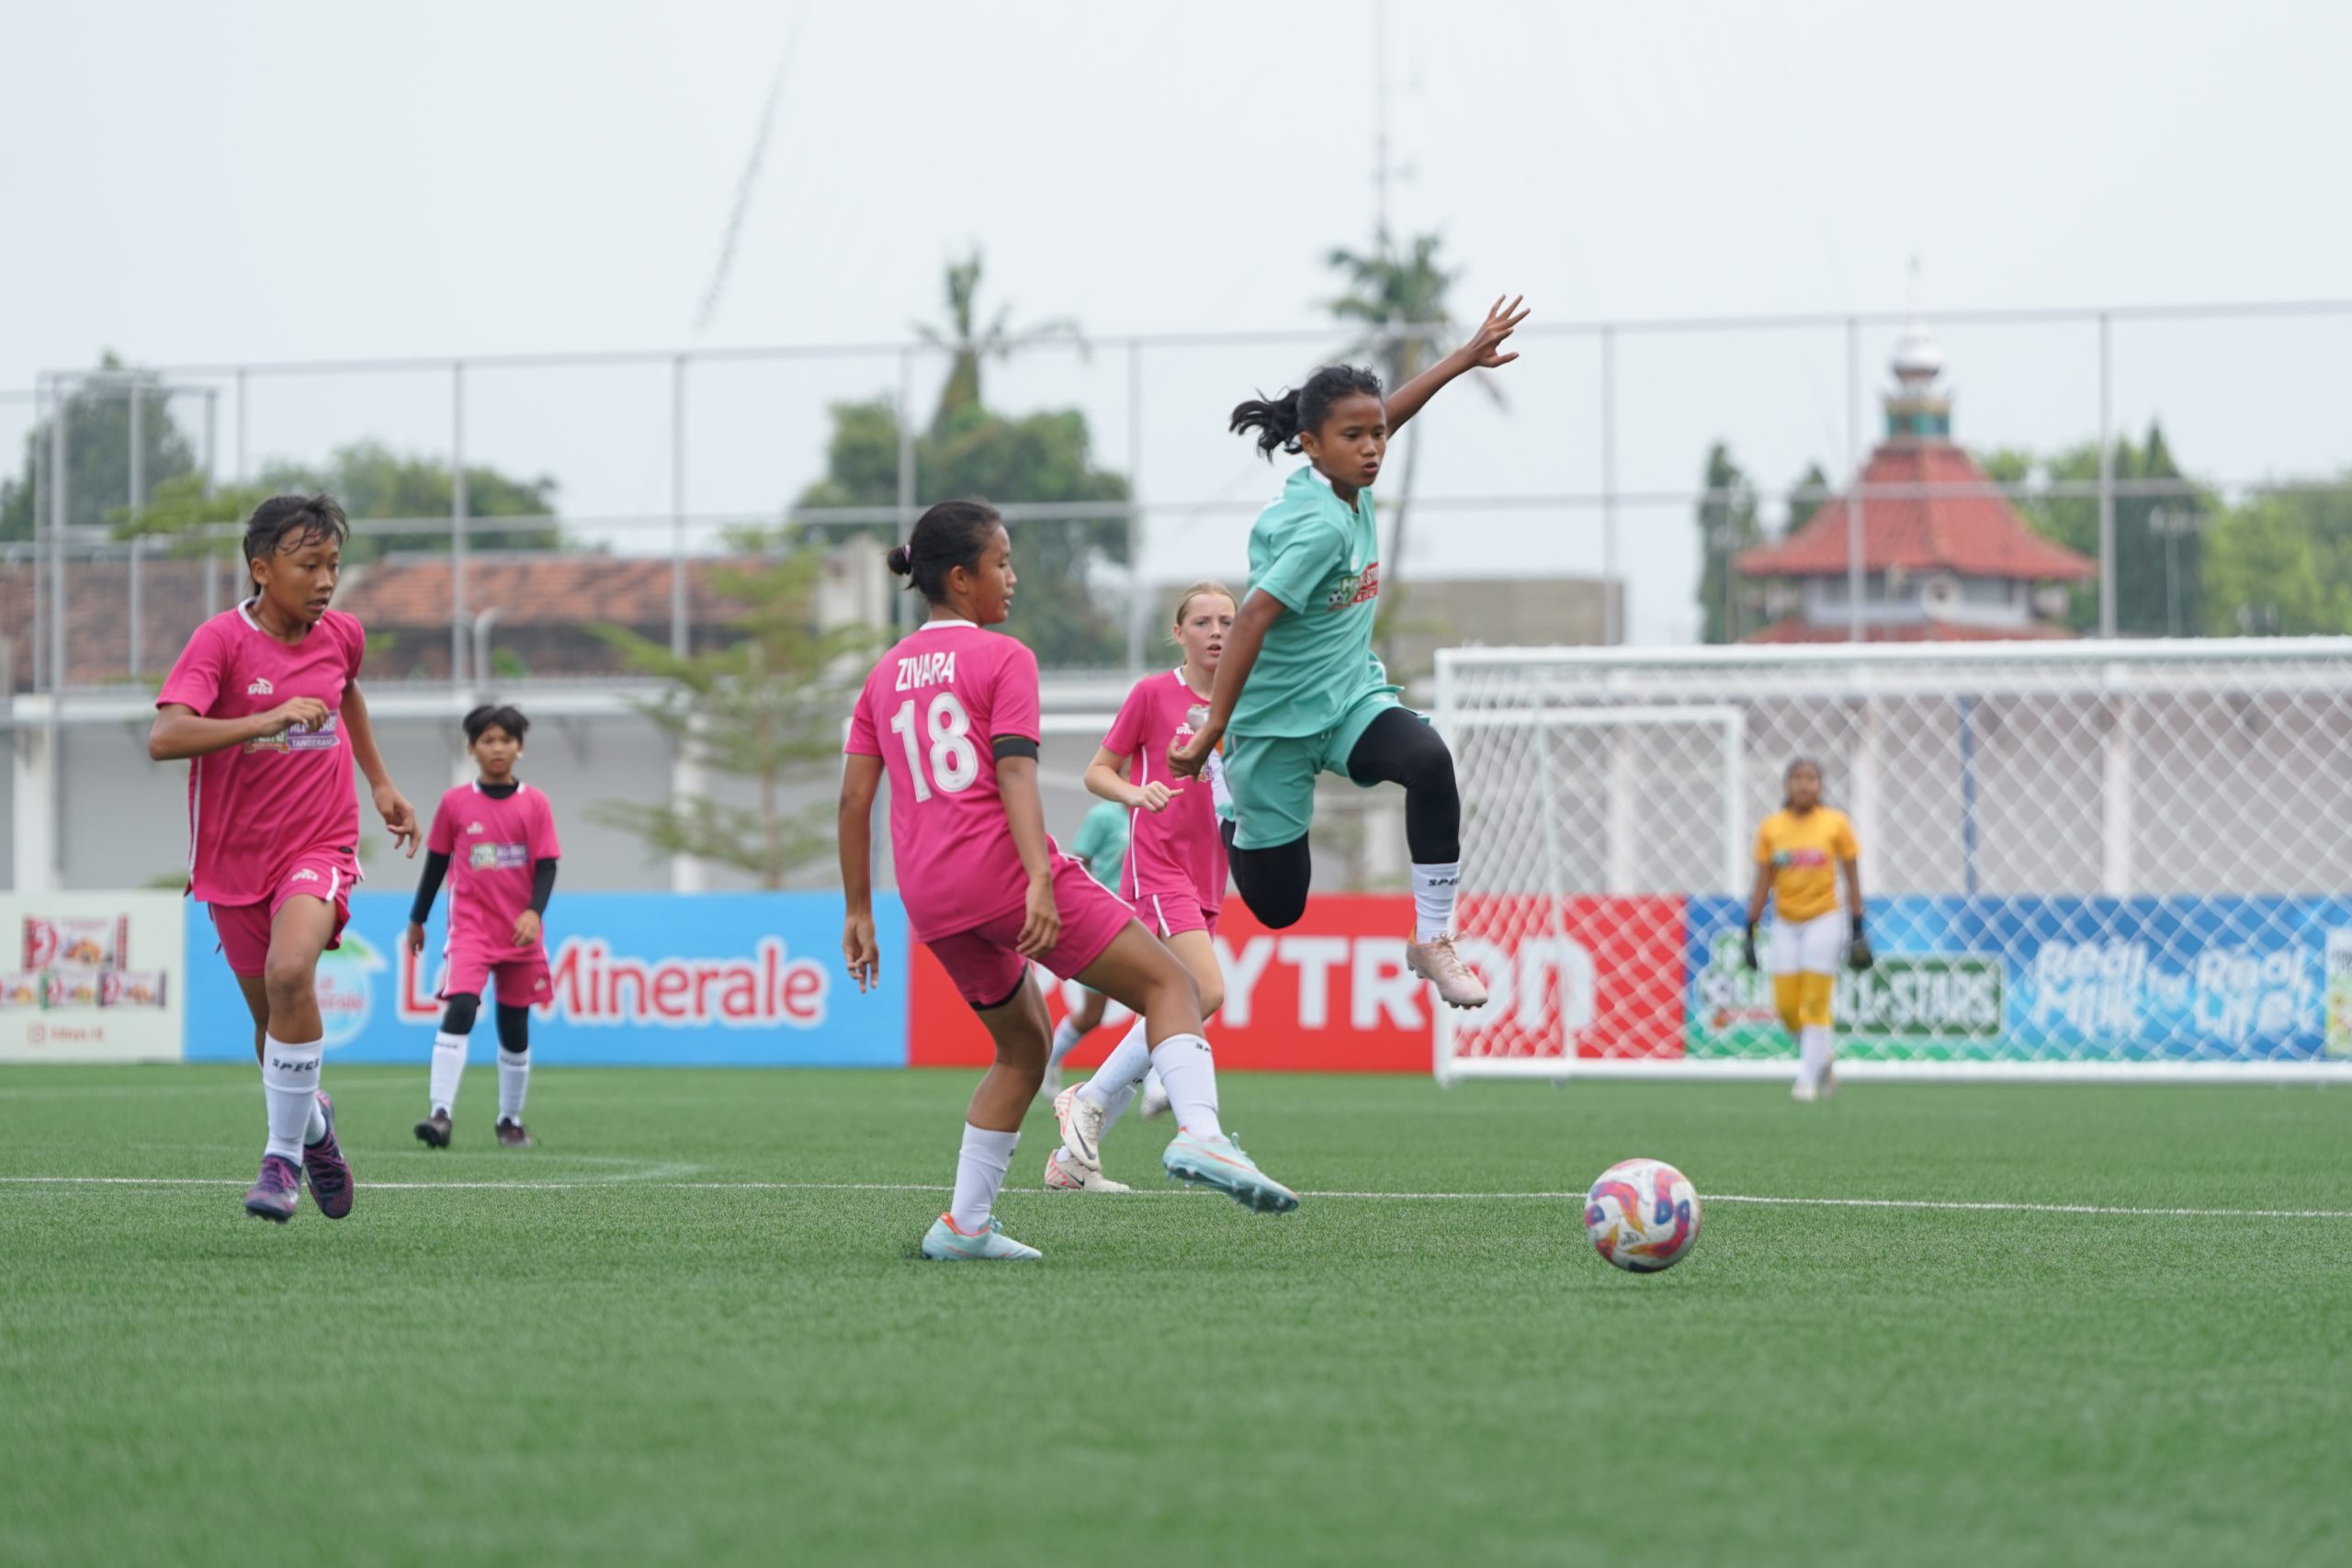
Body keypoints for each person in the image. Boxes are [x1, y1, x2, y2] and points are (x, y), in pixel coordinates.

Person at [838, 502, 1298, 1261]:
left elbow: (856, 798)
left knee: (1022, 1049)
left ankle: (963, 1226)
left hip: (929, 897)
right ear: (961, 577)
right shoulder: (1003, 657)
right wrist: (1039, 885)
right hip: (1004, 873)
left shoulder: (883, 675)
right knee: (1173, 987)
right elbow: (1015, 773)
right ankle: (1203, 1136)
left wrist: (859, 908)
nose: (1012, 579)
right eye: (1002, 563)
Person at [1170, 296, 1530, 1011]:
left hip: (1347, 702)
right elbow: (1250, 623)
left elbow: (1389, 411)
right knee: (1279, 908)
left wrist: (1462, 358)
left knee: (1429, 761)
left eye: (1377, 436)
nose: (1372, 449)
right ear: (1312, 443)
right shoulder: (1319, 530)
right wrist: (1214, 724)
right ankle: (1230, 796)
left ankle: (1432, 937)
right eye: (1354, 437)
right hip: (1273, 724)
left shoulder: (1346, 482)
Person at [149, 493, 419, 1223]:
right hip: (231, 861)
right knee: (272, 1026)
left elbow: (347, 692)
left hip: (319, 843)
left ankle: (281, 1160)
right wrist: (265, 717)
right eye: (310, 565)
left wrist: (382, 783)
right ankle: (318, 1131)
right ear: (262, 568)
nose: (327, 579)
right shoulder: (220, 643)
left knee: (292, 970)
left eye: (334, 563)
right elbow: (166, 738)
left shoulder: (342, 635)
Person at [1046, 581, 1237, 1193]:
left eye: (1228, 621)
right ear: (1178, 633)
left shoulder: (1245, 701)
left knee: (1172, 1003)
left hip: (1213, 871)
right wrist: (1135, 792)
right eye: (1202, 621)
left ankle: (1074, 1154)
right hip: (1158, 864)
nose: (1216, 631)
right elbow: (1098, 770)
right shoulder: (1153, 694)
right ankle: (1094, 1099)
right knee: (1202, 990)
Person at [404, 704, 561, 1149]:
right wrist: (417, 919)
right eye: (488, 740)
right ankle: (440, 1114)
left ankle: (509, 1121)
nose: (498, 748)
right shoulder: (455, 803)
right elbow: (435, 865)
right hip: (470, 931)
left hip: (519, 935)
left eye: (506, 740)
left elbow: (547, 866)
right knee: (461, 1007)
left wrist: (533, 912)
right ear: (472, 747)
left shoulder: (535, 803)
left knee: (515, 1028)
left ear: (520, 748)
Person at [1741, 758, 1872, 1101]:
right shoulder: (1772, 828)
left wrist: (1858, 925)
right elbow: (1763, 881)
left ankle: (1806, 1080)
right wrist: (1749, 929)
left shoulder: (1835, 824)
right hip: (1785, 920)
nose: (1804, 785)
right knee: (1786, 1007)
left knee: (1816, 1000)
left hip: (1825, 917)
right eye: (1798, 778)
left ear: (1821, 785)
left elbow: (1852, 874)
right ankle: (1821, 1058)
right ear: (1788, 784)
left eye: (1811, 778)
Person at [1036, 797, 1130, 1102]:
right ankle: (1047, 1061)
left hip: (1138, 918)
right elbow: (1080, 860)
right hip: (1102, 919)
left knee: (1160, 1002)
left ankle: (1158, 1086)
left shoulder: (1156, 814)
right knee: (1092, 1014)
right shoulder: (1104, 816)